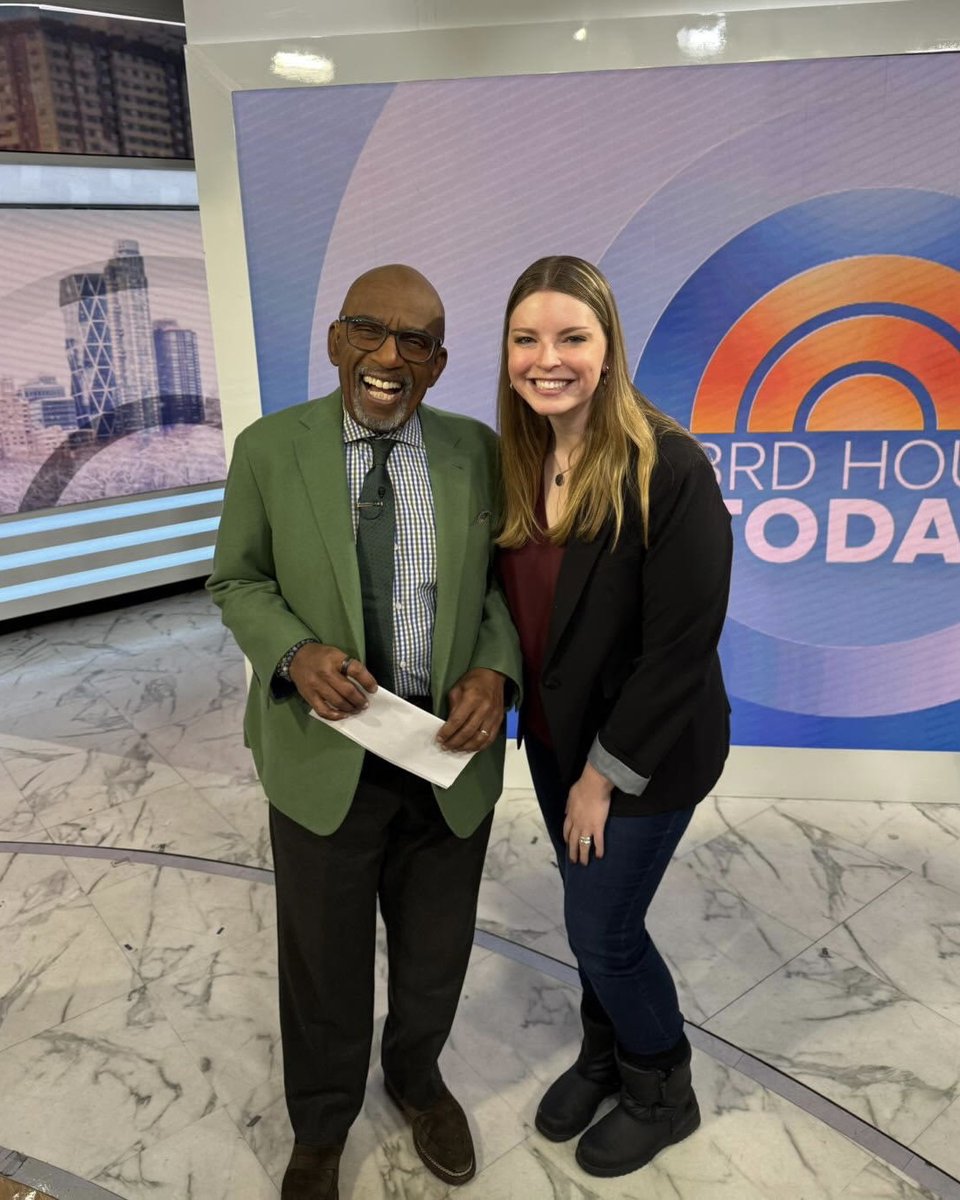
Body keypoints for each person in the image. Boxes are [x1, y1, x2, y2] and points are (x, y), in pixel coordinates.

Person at [208, 264, 521, 1200]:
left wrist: (495, 668)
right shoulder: (271, 448)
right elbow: (237, 580)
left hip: (445, 757)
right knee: (323, 958)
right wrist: (294, 650)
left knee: (437, 949)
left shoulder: (478, 452)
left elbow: (507, 590)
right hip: (322, 757)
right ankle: (321, 1125)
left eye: (414, 342)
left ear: (438, 363)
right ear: (337, 339)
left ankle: (418, 1083)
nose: (390, 357)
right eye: (369, 332)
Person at [496, 255, 732, 1179]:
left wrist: (601, 778)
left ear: (609, 346)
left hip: (643, 753)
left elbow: (680, 650)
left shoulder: (666, 466)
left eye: (570, 338)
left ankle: (660, 1087)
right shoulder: (521, 458)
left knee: (604, 931)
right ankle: (602, 1056)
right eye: (526, 338)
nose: (546, 358)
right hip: (555, 740)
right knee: (587, 911)